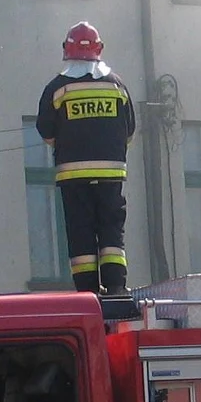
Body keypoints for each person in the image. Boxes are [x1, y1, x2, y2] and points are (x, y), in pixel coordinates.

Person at [36, 22, 136, 295]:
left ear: (66, 50)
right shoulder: (117, 86)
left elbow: (46, 132)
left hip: (73, 176)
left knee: (80, 231)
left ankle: (87, 291)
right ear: (99, 49)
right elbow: (129, 131)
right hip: (111, 175)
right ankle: (115, 285)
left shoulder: (57, 88)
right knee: (111, 230)